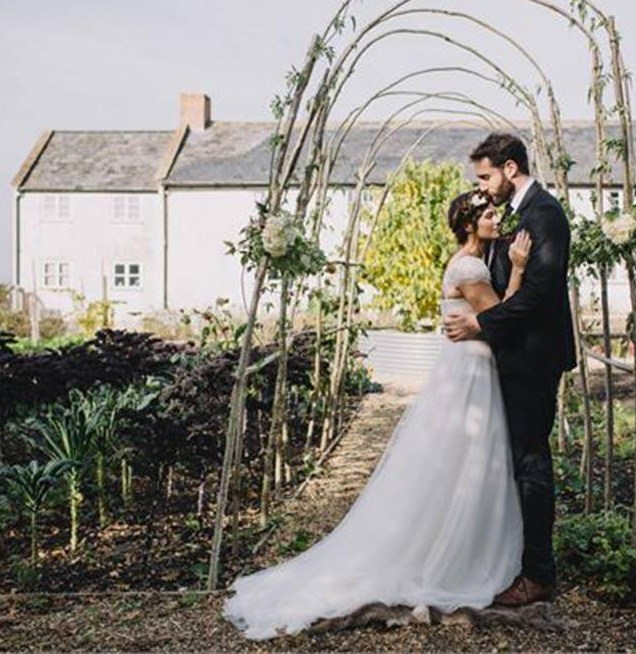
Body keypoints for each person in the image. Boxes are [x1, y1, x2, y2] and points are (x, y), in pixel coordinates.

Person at [222, 188, 533, 640]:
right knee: (466, 460)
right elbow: (503, 316)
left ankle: (460, 542)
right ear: (468, 224)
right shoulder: (469, 267)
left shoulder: (472, 262)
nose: (495, 218)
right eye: (487, 213)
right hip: (470, 371)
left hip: (468, 365)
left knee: (464, 462)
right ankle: (453, 555)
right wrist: (520, 268)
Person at [444, 132, 576, 607]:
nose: (482, 187)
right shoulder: (520, 215)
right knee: (518, 460)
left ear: (511, 169)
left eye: (485, 177)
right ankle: (513, 558)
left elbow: (539, 296)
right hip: (513, 356)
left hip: (533, 358)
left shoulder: (545, 215)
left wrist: (481, 322)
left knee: (531, 462)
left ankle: (538, 574)